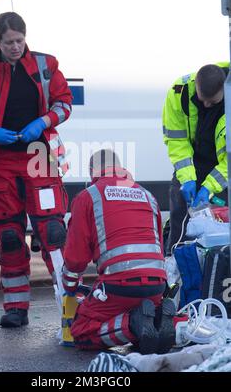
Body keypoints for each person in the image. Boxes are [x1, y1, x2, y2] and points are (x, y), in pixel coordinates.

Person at [0, 12, 72, 327]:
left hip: (39, 155)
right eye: (9, 42)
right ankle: (16, 308)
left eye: (20, 41)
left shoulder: (44, 66)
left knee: (52, 232)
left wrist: (44, 121)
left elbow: (64, 103)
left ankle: (70, 303)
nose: (15, 47)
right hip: (0, 161)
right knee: (9, 237)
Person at [62, 149, 176, 355]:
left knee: (82, 332)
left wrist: (69, 286)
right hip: (157, 285)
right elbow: (157, 243)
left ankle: (133, 324)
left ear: (92, 171)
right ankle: (157, 322)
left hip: (118, 285)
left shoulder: (88, 196)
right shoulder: (147, 195)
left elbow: (76, 257)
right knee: (141, 316)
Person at [163, 63, 228, 254]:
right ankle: (174, 268)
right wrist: (187, 179)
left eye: (212, 102)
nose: (206, 105)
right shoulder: (179, 93)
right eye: (202, 100)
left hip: (222, 169)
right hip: (192, 163)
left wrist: (209, 186)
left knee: (221, 224)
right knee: (180, 216)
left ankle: (218, 273)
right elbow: (177, 141)